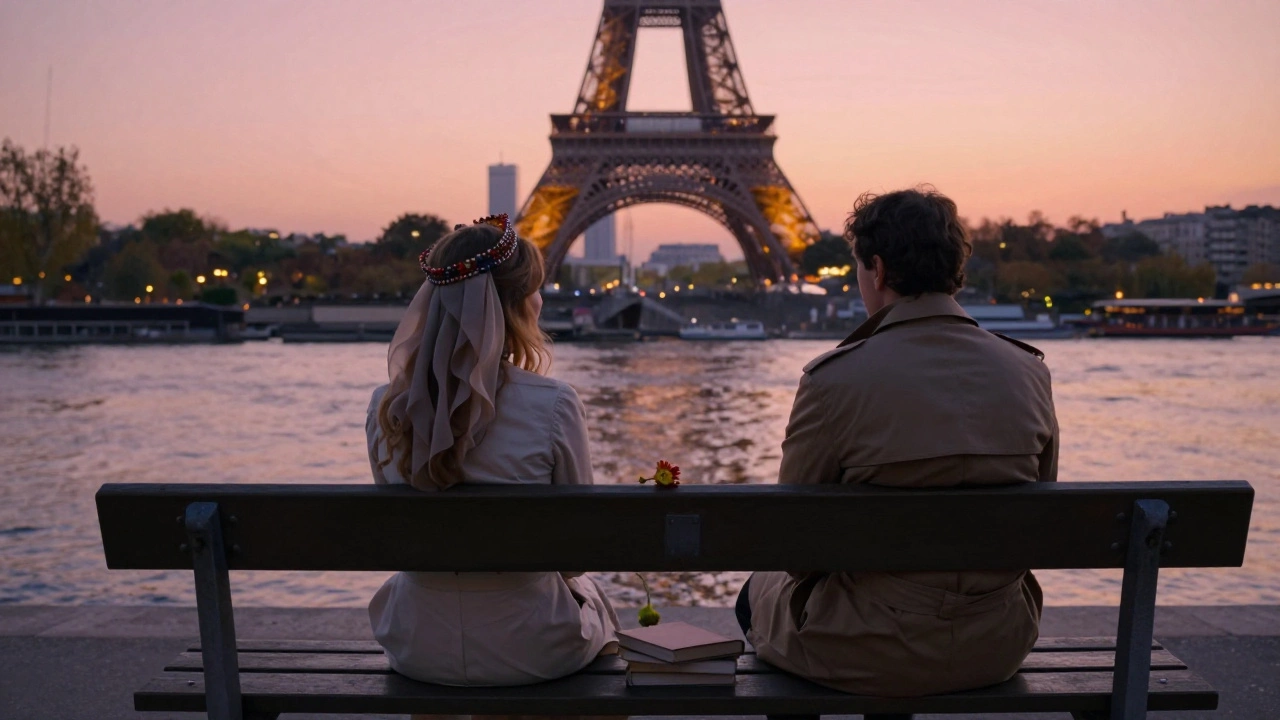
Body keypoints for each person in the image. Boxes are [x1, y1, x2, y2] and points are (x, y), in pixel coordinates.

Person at [737, 187, 1059, 697]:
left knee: (757, 591)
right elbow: (1038, 517)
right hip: (996, 643)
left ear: (879, 270)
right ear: (956, 269)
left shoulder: (833, 380)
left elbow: (796, 545)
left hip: (863, 645)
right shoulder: (1029, 372)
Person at [366, 214, 619, 687]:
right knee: (596, 604)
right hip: (530, 645)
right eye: (536, 289)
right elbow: (577, 552)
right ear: (516, 305)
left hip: (418, 643)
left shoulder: (384, 409)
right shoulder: (555, 404)